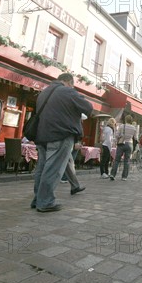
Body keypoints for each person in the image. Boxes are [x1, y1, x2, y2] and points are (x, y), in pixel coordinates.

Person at [31, 73, 93, 212]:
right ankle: (45, 202)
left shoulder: (44, 92)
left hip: (41, 135)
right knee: (53, 169)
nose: (72, 87)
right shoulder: (67, 91)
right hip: (60, 134)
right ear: (68, 82)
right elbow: (88, 107)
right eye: (73, 84)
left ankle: (37, 199)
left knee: (41, 168)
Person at [109, 114, 137, 181]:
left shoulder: (122, 126)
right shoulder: (134, 128)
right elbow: (135, 138)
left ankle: (113, 174)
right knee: (127, 161)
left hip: (121, 144)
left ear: (125, 120)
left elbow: (117, 135)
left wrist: (114, 143)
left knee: (117, 160)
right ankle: (124, 177)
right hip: (130, 144)